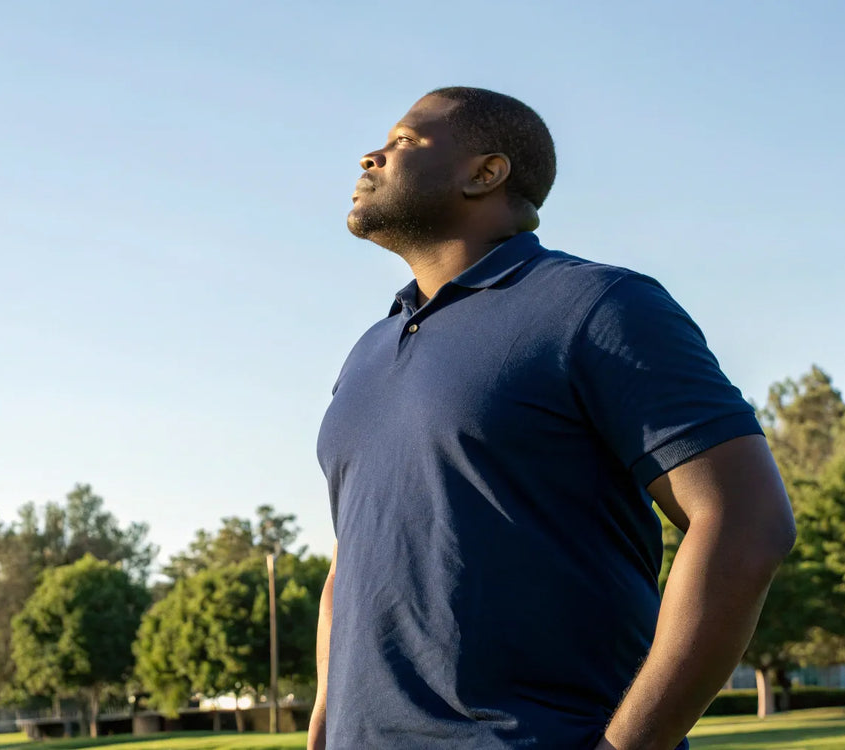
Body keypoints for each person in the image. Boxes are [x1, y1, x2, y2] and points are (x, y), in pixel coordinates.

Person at [308, 87, 796, 749]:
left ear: (485, 173)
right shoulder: (368, 348)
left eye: (403, 142)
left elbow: (746, 520)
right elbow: (354, 555)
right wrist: (327, 716)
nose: (371, 156)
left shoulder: (597, 306)